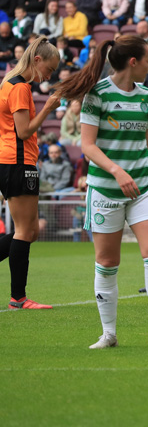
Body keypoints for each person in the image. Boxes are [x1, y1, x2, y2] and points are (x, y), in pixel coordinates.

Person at [55, 35, 148, 348]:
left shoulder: (145, 96)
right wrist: (116, 171)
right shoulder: (96, 95)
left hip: (141, 187)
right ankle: (109, 334)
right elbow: (86, 145)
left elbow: (142, 141)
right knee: (107, 261)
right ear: (133, 62)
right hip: (105, 189)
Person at [0, 36, 59, 310]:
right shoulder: (20, 87)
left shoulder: (10, 83)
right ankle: (19, 298)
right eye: (49, 68)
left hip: (13, 161)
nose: (49, 74)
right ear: (37, 60)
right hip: (17, 161)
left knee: (30, 231)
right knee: (25, 231)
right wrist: (48, 107)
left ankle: (18, 297)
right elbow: (23, 131)